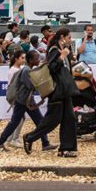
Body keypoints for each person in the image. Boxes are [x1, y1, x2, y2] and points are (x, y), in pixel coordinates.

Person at [24, 27, 77, 157]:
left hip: (65, 90)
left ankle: (66, 148)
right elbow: (52, 68)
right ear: (62, 38)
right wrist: (62, 56)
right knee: (52, 120)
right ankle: (30, 137)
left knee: (69, 118)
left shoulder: (63, 51)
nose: (70, 40)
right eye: (69, 37)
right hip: (57, 90)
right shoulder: (54, 51)